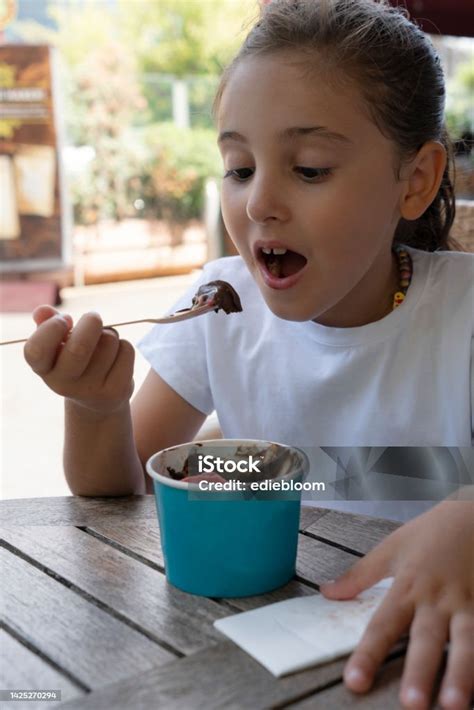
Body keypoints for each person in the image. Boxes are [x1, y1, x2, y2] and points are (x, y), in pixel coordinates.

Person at [24, 0, 473, 707]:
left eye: (312, 168)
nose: (260, 201)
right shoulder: (221, 308)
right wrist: (93, 404)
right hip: (255, 654)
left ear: (413, 180)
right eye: (238, 167)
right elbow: (118, 495)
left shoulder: (464, 314)